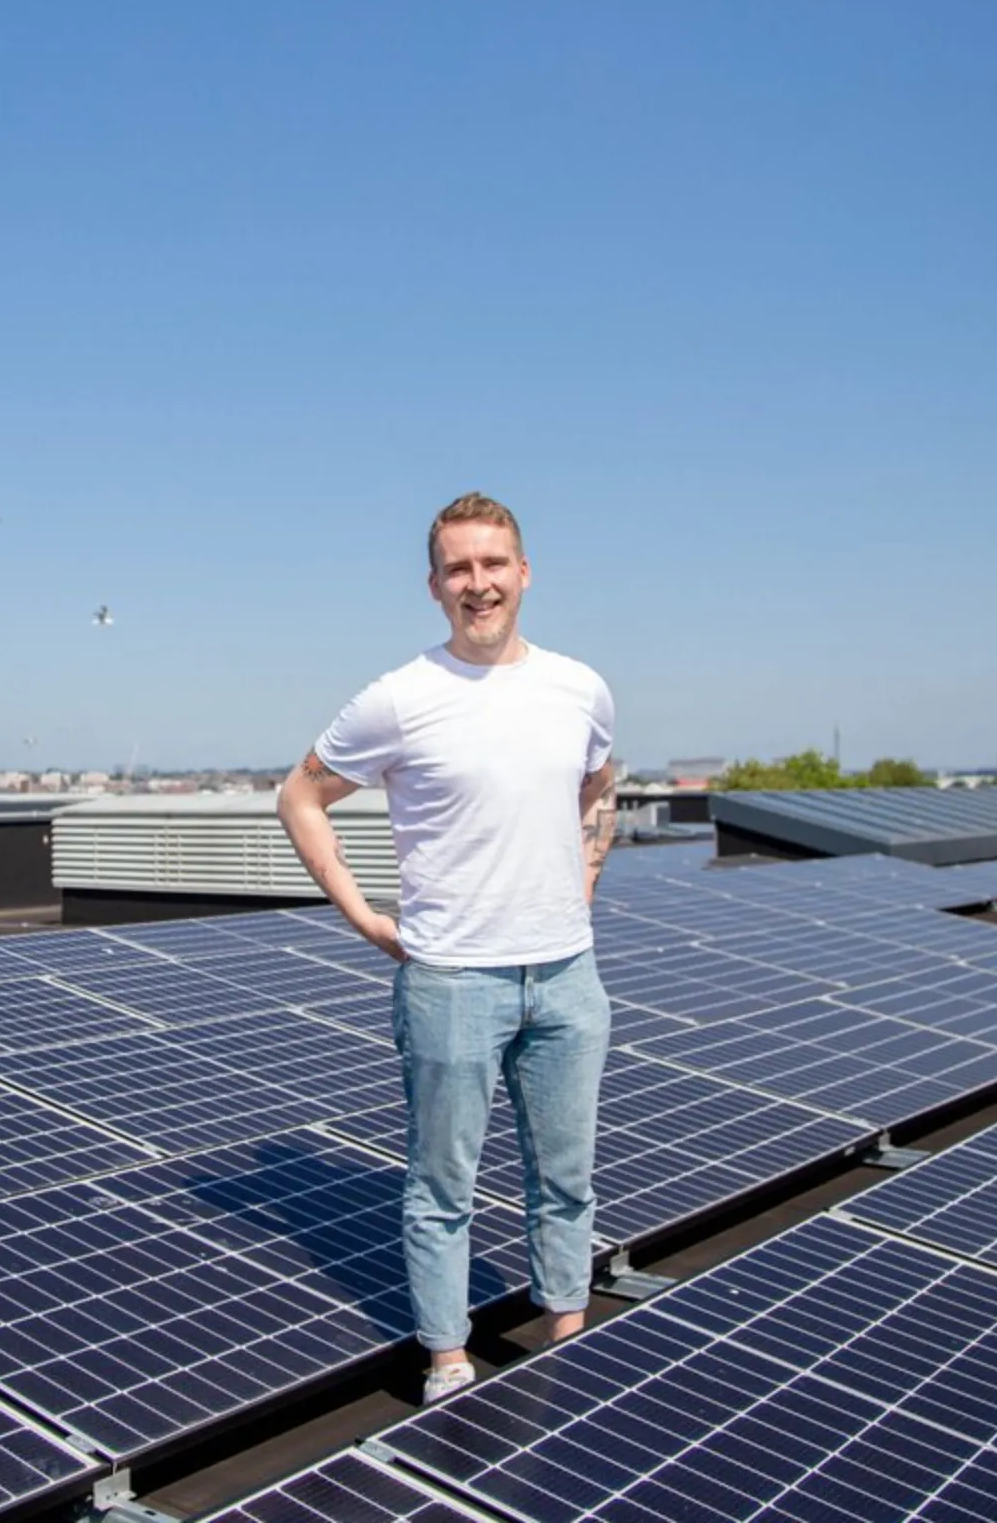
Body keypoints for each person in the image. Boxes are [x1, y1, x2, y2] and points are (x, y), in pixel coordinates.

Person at [276, 491, 617, 1406]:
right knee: (442, 1187)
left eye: (494, 564)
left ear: (524, 572)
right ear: (434, 587)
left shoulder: (579, 687)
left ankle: (566, 1326)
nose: (479, 584)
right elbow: (298, 799)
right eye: (459, 569)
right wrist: (363, 916)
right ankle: (446, 1358)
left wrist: (581, 878)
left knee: (567, 1177)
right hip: (452, 981)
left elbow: (598, 785)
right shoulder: (399, 699)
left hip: (566, 978)